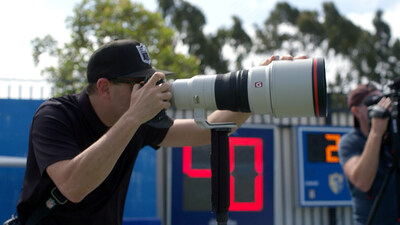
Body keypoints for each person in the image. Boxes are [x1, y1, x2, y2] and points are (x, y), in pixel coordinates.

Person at [14, 39, 305, 225]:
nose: (150, 91)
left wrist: (256, 91)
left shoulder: (136, 119)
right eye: (138, 84)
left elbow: (203, 132)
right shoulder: (55, 116)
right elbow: (73, 187)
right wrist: (133, 118)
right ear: (104, 87)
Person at [338, 83, 397, 225]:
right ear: (356, 111)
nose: (382, 108)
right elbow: (362, 182)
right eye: (374, 103)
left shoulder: (393, 137)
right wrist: (376, 133)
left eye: (382, 101)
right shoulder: (350, 142)